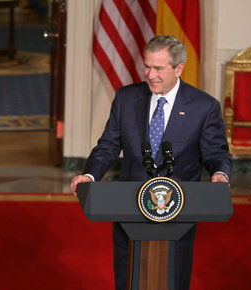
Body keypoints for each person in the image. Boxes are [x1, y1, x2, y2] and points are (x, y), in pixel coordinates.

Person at [70, 35, 232, 289]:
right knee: (128, 278)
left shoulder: (204, 106)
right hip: (129, 208)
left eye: (158, 68)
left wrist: (220, 175)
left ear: (178, 68)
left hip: (177, 212)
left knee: (173, 279)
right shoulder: (126, 98)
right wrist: (89, 175)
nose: (150, 74)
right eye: (146, 66)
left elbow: (217, 154)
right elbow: (109, 145)